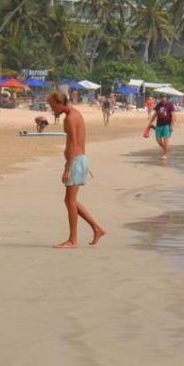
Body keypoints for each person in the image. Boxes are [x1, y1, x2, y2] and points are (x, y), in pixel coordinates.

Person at [48, 90, 105, 248]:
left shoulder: (70, 118)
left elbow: (73, 144)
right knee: (70, 201)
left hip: (76, 161)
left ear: (60, 103)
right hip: (79, 161)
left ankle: (73, 240)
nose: (53, 110)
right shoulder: (75, 113)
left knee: (70, 201)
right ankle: (97, 228)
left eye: (53, 106)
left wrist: (68, 167)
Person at [148, 95, 176, 160]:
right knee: (158, 139)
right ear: (160, 98)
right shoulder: (158, 105)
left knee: (166, 139)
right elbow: (155, 115)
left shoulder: (170, 105)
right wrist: (150, 122)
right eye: (161, 98)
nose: (163, 99)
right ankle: (166, 149)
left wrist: (171, 126)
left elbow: (174, 116)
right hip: (159, 125)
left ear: (166, 98)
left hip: (167, 125)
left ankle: (165, 154)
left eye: (164, 98)